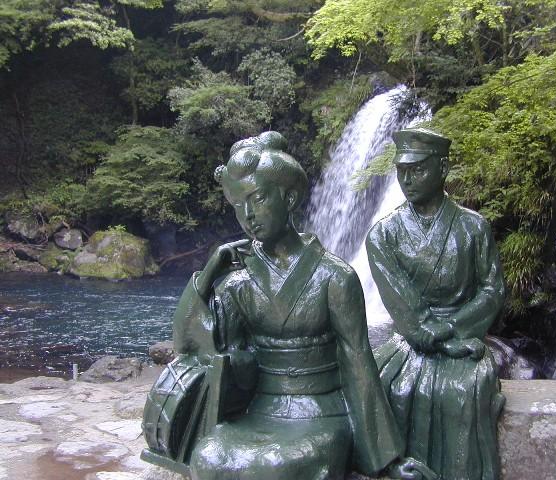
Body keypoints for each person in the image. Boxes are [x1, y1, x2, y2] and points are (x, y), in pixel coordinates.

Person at [144, 131, 402, 480]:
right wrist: (207, 275)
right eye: (238, 205)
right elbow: (190, 345)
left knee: (276, 466)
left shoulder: (335, 277)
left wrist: (382, 456)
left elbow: (359, 363)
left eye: (258, 198)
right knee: (208, 456)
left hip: (320, 411)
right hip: (261, 408)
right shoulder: (238, 282)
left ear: (289, 197)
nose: (248, 215)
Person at [367, 127, 506, 480]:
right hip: (412, 338)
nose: (407, 180)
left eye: (417, 170)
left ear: (442, 168)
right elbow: (400, 302)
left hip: (462, 330)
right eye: (402, 171)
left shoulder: (474, 227)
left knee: (462, 390)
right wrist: (434, 337)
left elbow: (492, 290)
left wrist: (452, 328)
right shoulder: (383, 234)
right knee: (389, 386)